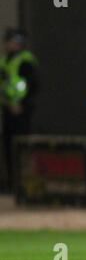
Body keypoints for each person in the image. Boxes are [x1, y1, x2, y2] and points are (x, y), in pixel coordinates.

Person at [0, 28, 38, 194]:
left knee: (22, 146)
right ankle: (11, 184)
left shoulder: (26, 61)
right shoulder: (5, 60)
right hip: (7, 108)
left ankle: (24, 185)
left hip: (22, 110)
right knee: (8, 146)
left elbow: (33, 86)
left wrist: (21, 104)